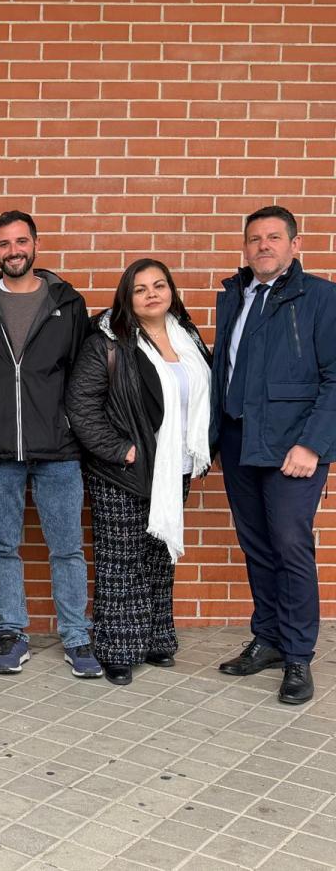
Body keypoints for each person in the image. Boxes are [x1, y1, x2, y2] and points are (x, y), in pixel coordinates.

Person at [0, 211, 101, 678]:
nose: (13, 250)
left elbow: (86, 372)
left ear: (35, 244)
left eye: (20, 241)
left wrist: (75, 426)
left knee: (67, 548)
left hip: (57, 450)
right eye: (3, 244)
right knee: (2, 547)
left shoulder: (67, 303)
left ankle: (77, 636)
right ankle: (12, 633)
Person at [210, 206, 336, 705]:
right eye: (254, 239)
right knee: (257, 545)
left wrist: (313, 444)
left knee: (290, 545)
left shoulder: (322, 298)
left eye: (273, 238)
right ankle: (269, 639)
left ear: (294, 245)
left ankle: (300, 654)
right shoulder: (234, 297)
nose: (263, 245)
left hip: (293, 445)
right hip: (242, 439)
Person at [67, 259, 211, 686]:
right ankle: (116, 649)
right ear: (127, 298)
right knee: (121, 560)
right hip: (122, 471)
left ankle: (154, 640)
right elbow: (81, 407)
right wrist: (119, 450)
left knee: (158, 555)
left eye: (159, 285)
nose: (152, 293)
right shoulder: (109, 342)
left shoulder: (188, 337)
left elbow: (205, 397)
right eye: (140, 288)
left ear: (171, 291)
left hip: (175, 468)